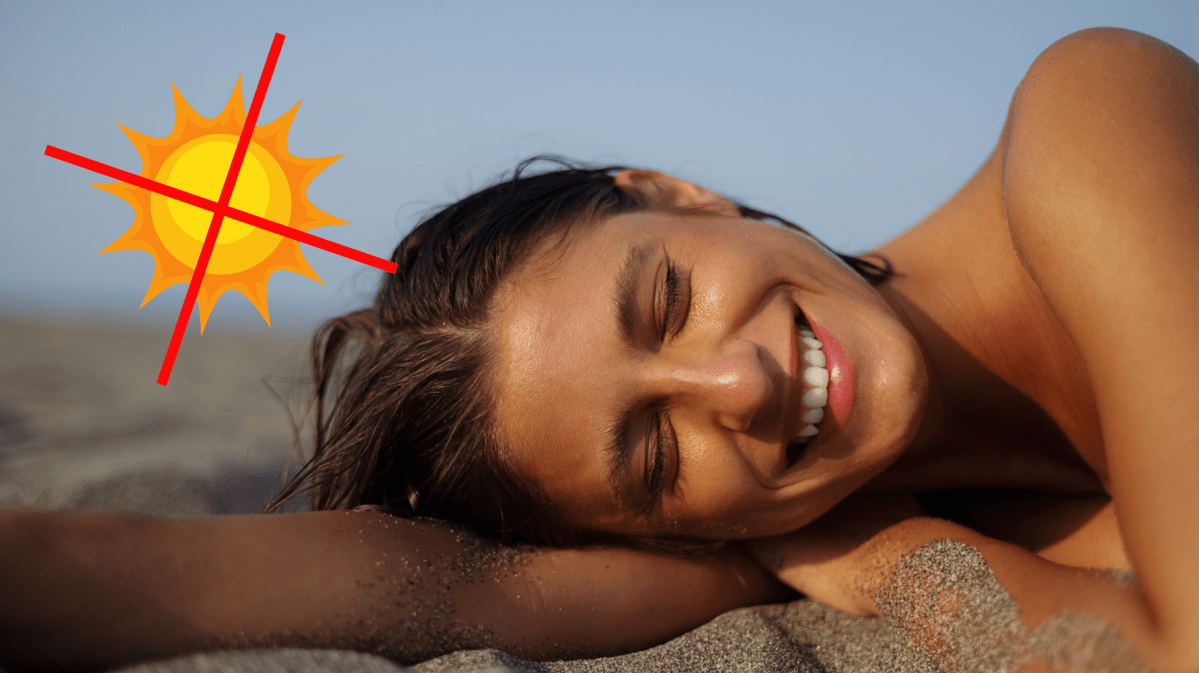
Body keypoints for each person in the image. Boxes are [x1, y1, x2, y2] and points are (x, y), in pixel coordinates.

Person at [2, 26, 1197, 671]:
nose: (738, 382)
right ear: (664, 534)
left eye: (665, 299)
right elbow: (455, 588)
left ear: (675, 191)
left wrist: (895, 562)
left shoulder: (1085, 118)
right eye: (654, 454)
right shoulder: (792, 523)